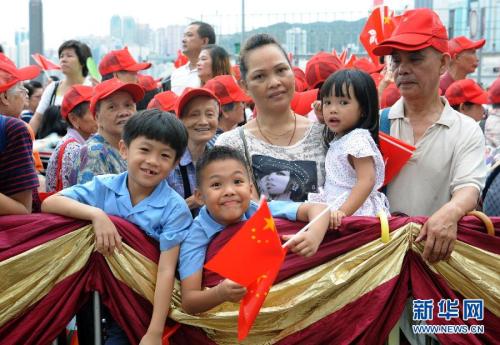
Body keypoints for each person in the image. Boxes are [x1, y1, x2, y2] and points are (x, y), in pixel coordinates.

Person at [42, 109, 191, 345]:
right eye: (144, 150)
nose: (152, 161)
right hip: (99, 299)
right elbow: (50, 203)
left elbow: (166, 271)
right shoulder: (104, 186)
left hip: (145, 304)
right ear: (124, 149)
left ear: (174, 164)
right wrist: (96, 214)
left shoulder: (175, 209)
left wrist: (154, 331)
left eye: (164, 155)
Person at [372, 8, 486, 262]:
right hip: (382, 265)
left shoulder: (465, 129)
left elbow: (469, 186)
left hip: (438, 263)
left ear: (443, 64)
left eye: (415, 58)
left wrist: (451, 213)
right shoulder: (377, 124)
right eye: (397, 60)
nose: (402, 69)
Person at [178, 146, 331, 314]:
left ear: (250, 190)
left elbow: (318, 209)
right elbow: (189, 302)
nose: (229, 191)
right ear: (199, 196)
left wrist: (314, 235)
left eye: (237, 182)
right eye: (216, 185)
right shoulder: (195, 237)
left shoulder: (257, 210)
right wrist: (220, 293)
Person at [216, 34, 326, 202]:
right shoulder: (230, 145)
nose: (274, 82)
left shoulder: (324, 135)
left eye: (281, 70)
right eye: (260, 76)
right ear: (244, 86)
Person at [308, 69, 389, 224]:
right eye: (327, 102)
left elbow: (367, 180)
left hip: (355, 214)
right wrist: (323, 117)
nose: (333, 109)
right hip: (342, 210)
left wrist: (342, 212)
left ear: (364, 109)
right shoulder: (344, 136)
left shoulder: (357, 140)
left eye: (343, 103)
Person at [75, 78, 144, 184]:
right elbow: (91, 199)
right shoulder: (95, 153)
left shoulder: (129, 146)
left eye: (128, 105)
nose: (123, 113)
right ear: (97, 117)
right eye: (112, 107)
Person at [167, 87, 219, 216]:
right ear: (180, 121)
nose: (203, 122)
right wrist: (192, 202)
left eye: (210, 114)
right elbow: (157, 215)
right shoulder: (168, 161)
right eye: (194, 115)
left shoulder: (222, 151)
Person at [0, 54, 42, 214]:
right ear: (4, 97)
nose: (25, 95)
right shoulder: (13, 128)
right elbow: (23, 209)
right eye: (21, 89)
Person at [30, 40, 92, 135]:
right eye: (61, 56)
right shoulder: (53, 88)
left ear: (82, 62)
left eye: (69, 56)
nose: (63, 59)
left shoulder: (92, 87)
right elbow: (38, 118)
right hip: (52, 146)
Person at [46, 85, 97, 192]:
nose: (100, 116)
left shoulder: (82, 143)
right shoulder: (75, 149)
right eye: (94, 112)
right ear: (74, 119)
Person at [170, 21, 216, 95]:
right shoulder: (177, 73)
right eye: (184, 36)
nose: (183, 40)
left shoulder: (216, 73)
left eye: (189, 35)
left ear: (204, 41)